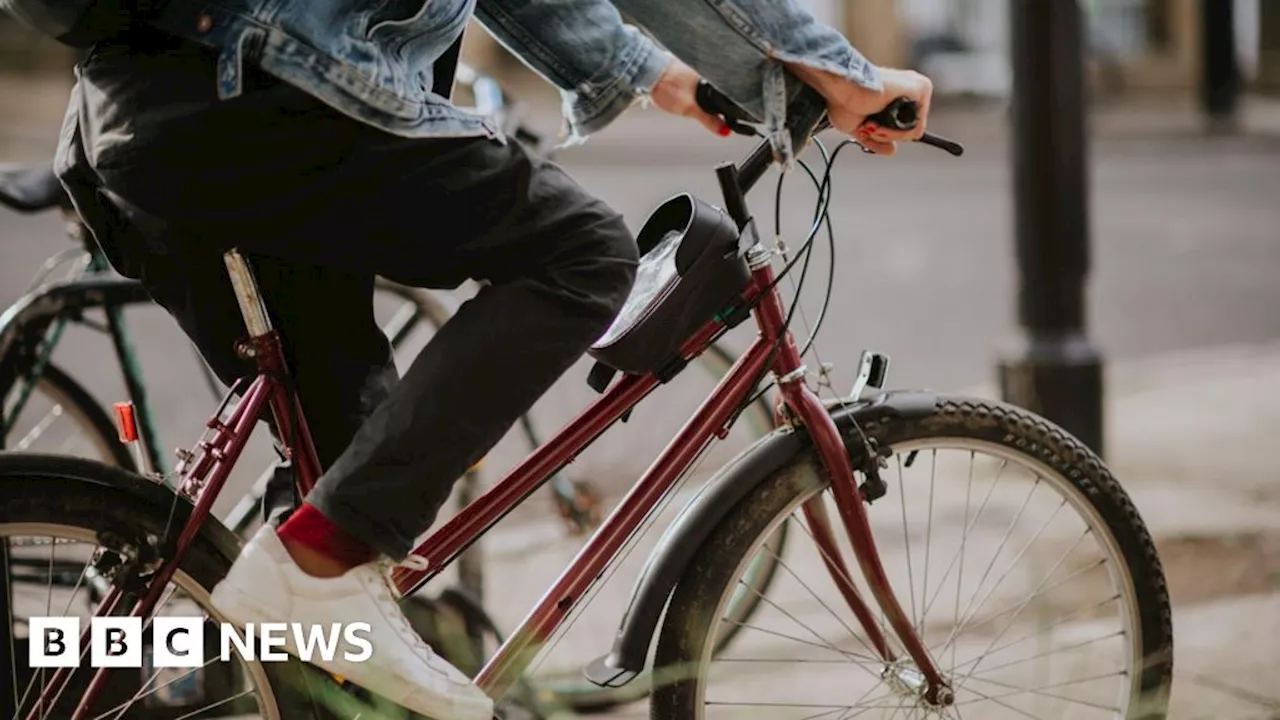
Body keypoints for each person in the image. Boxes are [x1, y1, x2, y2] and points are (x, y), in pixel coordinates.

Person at [54, 0, 933, 716]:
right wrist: (839, 73)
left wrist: (662, 77)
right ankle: (318, 560)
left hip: (146, 122)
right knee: (583, 255)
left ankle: (308, 590)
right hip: (267, 95)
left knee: (349, 477)